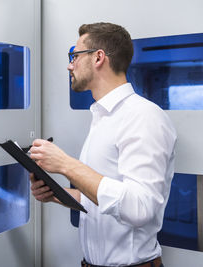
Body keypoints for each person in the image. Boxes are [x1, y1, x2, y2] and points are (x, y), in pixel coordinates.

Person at [29, 22, 176, 267]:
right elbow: (106, 200)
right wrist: (58, 194)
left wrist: (65, 165)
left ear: (98, 57)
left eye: (74, 56)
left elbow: (139, 207)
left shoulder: (144, 117)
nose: (69, 65)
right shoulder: (102, 118)